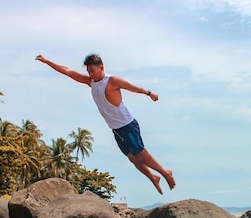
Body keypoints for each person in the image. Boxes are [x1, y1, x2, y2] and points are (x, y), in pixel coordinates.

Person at [36, 53, 176, 194]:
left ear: (101, 67)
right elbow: (67, 71)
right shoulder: (91, 82)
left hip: (127, 125)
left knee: (140, 155)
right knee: (133, 159)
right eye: (88, 71)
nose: (90, 74)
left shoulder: (112, 81)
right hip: (116, 129)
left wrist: (149, 93)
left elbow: (131, 87)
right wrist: (47, 61)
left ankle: (165, 173)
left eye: (92, 71)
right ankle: (153, 177)